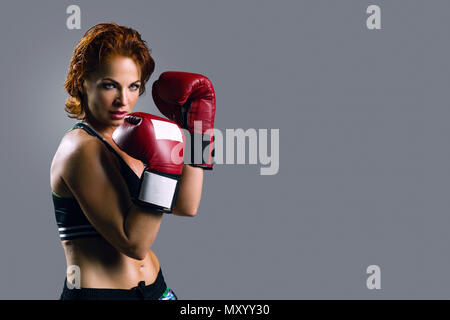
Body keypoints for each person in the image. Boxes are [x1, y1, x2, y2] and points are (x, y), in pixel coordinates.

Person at [50, 22, 215, 300]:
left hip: (156, 290)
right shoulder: (80, 149)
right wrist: (162, 168)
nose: (123, 100)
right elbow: (134, 243)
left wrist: (198, 133)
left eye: (133, 86)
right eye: (109, 85)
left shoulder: (131, 137)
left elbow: (187, 205)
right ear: (82, 82)